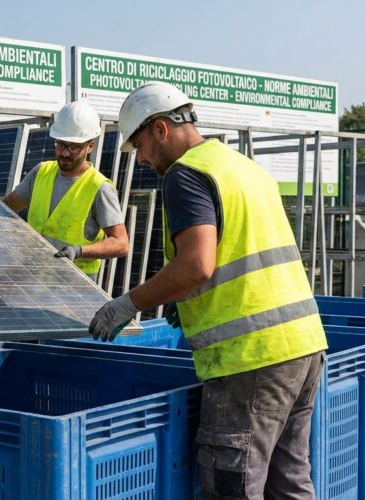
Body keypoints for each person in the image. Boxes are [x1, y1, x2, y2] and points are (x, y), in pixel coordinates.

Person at [89, 81, 328, 499]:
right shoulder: (242, 166)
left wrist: (130, 302)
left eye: (140, 145)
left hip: (250, 358)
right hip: (302, 346)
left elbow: (196, 264)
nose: (141, 159)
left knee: (231, 488)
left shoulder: (185, 175)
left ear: (161, 129)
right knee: (289, 484)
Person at [0, 100, 128, 280]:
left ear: (90, 146)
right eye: (60, 144)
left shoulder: (99, 187)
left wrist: (79, 251)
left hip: (76, 287)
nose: (65, 153)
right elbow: (7, 207)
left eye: (73, 147)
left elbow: (121, 243)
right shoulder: (41, 172)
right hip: (34, 280)